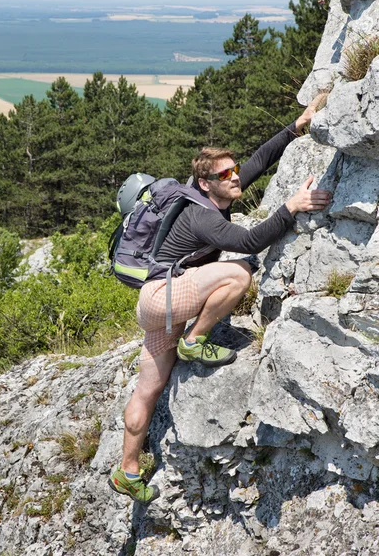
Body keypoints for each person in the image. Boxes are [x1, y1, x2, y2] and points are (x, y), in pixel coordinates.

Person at [109, 98, 331, 503]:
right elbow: (248, 241)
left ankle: (127, 471)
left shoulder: (208, 192)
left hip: (156, 305)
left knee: (147, 391)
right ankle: (195, 340)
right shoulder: (202, 216)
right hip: (164, 297)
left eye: (232, 169)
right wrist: (291, 206)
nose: (234, 176)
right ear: (207, 183)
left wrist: (297, 125)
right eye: (225, 173)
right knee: (239, 271)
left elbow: (259, 161)